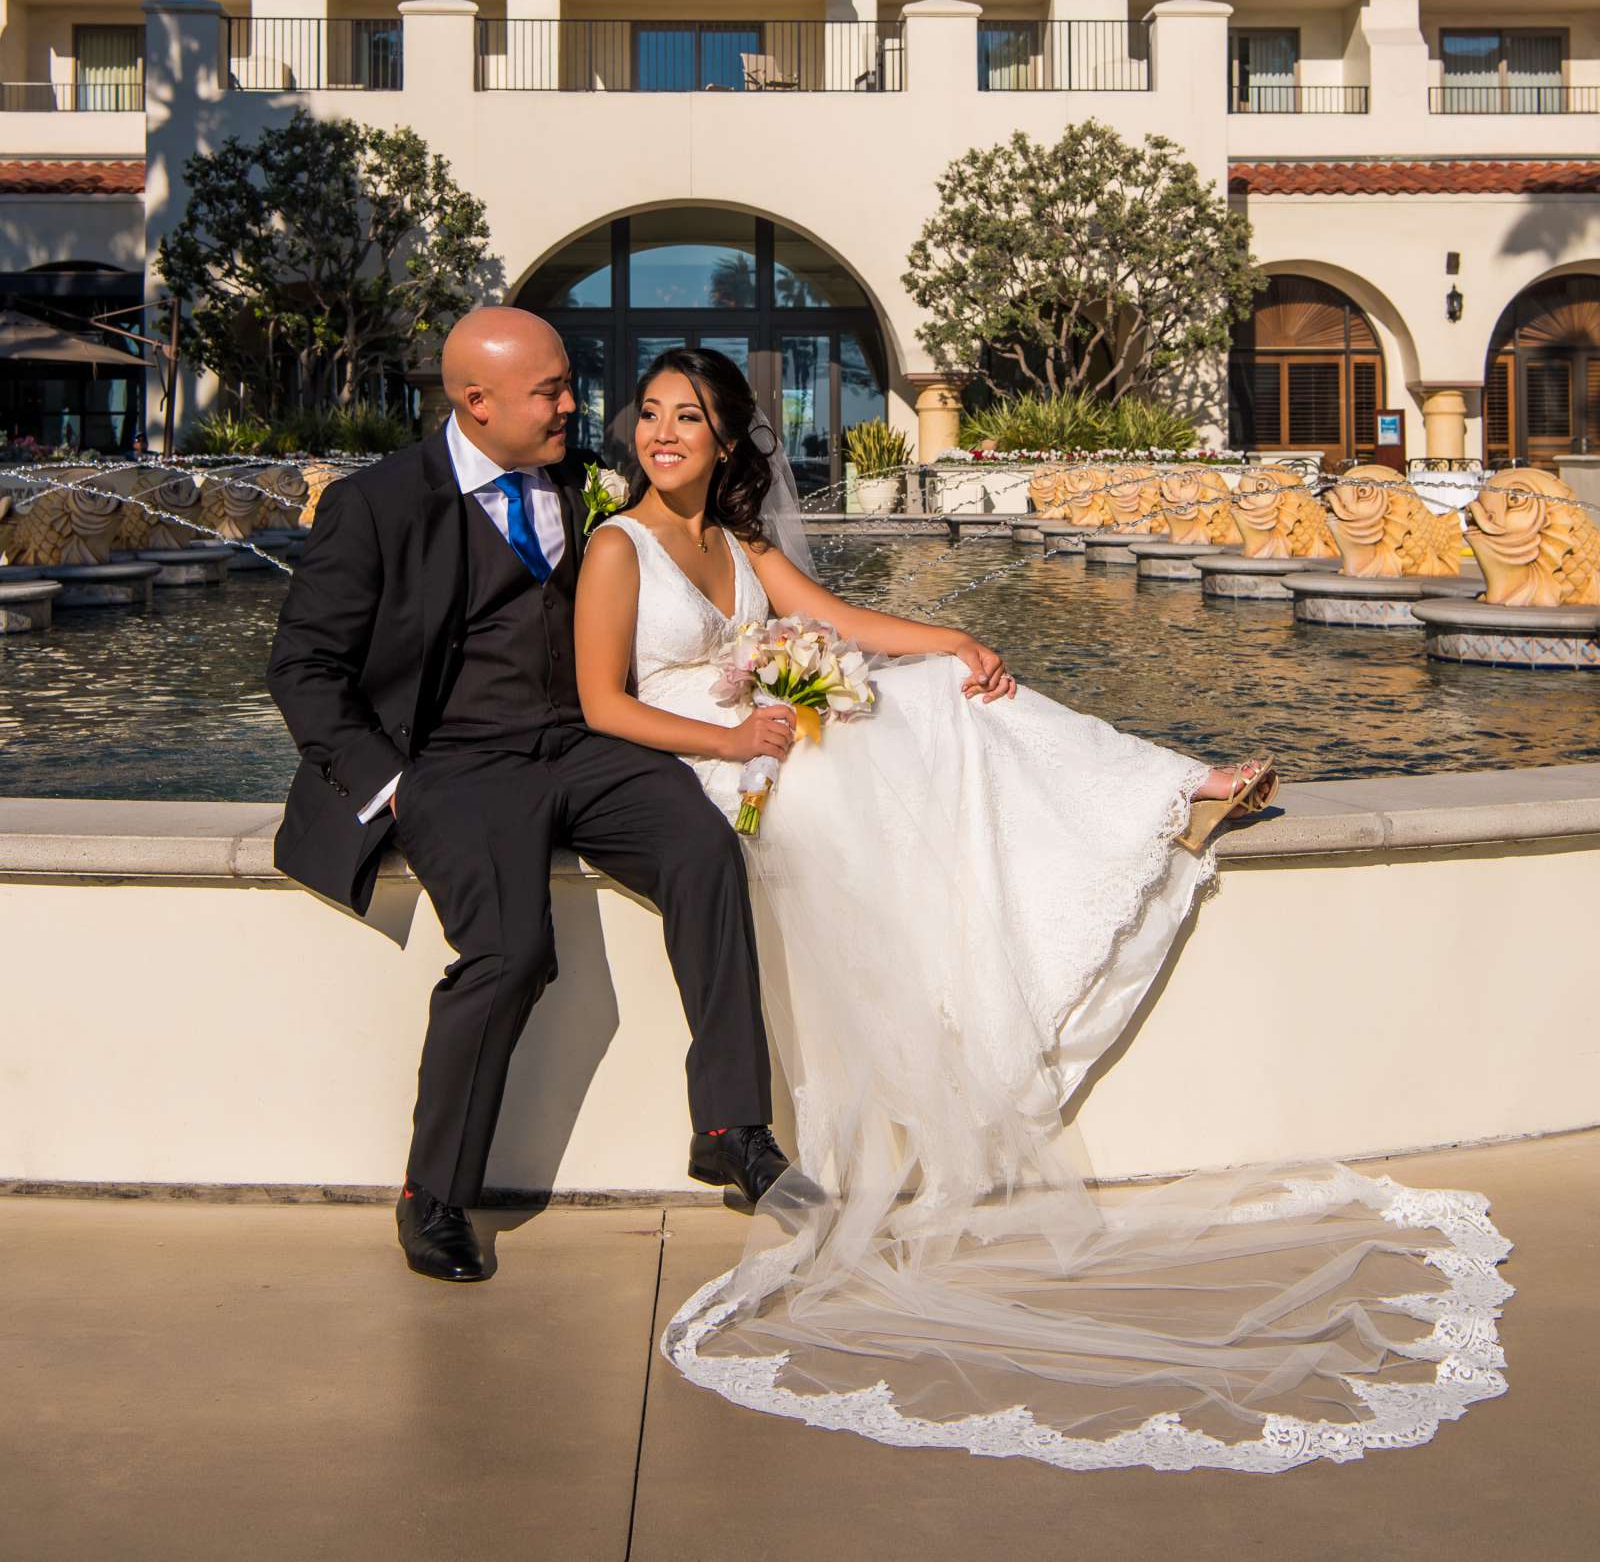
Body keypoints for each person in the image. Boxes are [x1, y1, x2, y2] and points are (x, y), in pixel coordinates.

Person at [574, 347, 1513, 1474]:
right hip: (707, 760)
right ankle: (1149, 813)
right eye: (650, 414)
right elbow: (601, 703)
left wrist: (956, 643)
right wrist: (734, 732)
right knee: (876, 762)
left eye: (690, 418)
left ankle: (1168, 791)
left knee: (940, 700)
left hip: (774, 728)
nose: (662, 432)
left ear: (727, 441)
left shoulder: (739, 544)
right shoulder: (615, 548)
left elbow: (835, 616)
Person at [267, 307, 809, 1286]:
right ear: (476, 404)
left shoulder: (571, 479)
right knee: (512, 951)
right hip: (456, 763)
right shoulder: (378, 504)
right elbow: (304, 668)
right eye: (550, 393)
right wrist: (392, 785)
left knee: (703, 850)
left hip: (582, 742)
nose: (575, 406)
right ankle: (432, 1193)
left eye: (569, 384)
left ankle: (731, 1127)